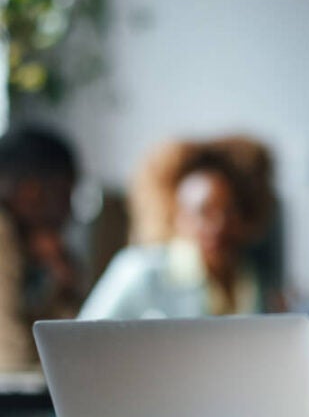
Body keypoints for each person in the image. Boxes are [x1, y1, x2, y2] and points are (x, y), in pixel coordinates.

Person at [79, 134, 284, 319]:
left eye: (230, 211)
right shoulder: (140, 271)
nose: (218, 225)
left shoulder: (256, 277)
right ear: (178, 216)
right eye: (204, 212)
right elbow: (81, 343)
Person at [0, 124, 85, 370]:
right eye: (67, 194)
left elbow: (69, 348)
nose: (69, 212)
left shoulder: (32, 247)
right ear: (32, 193)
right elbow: (10, 362)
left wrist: (63, 283)